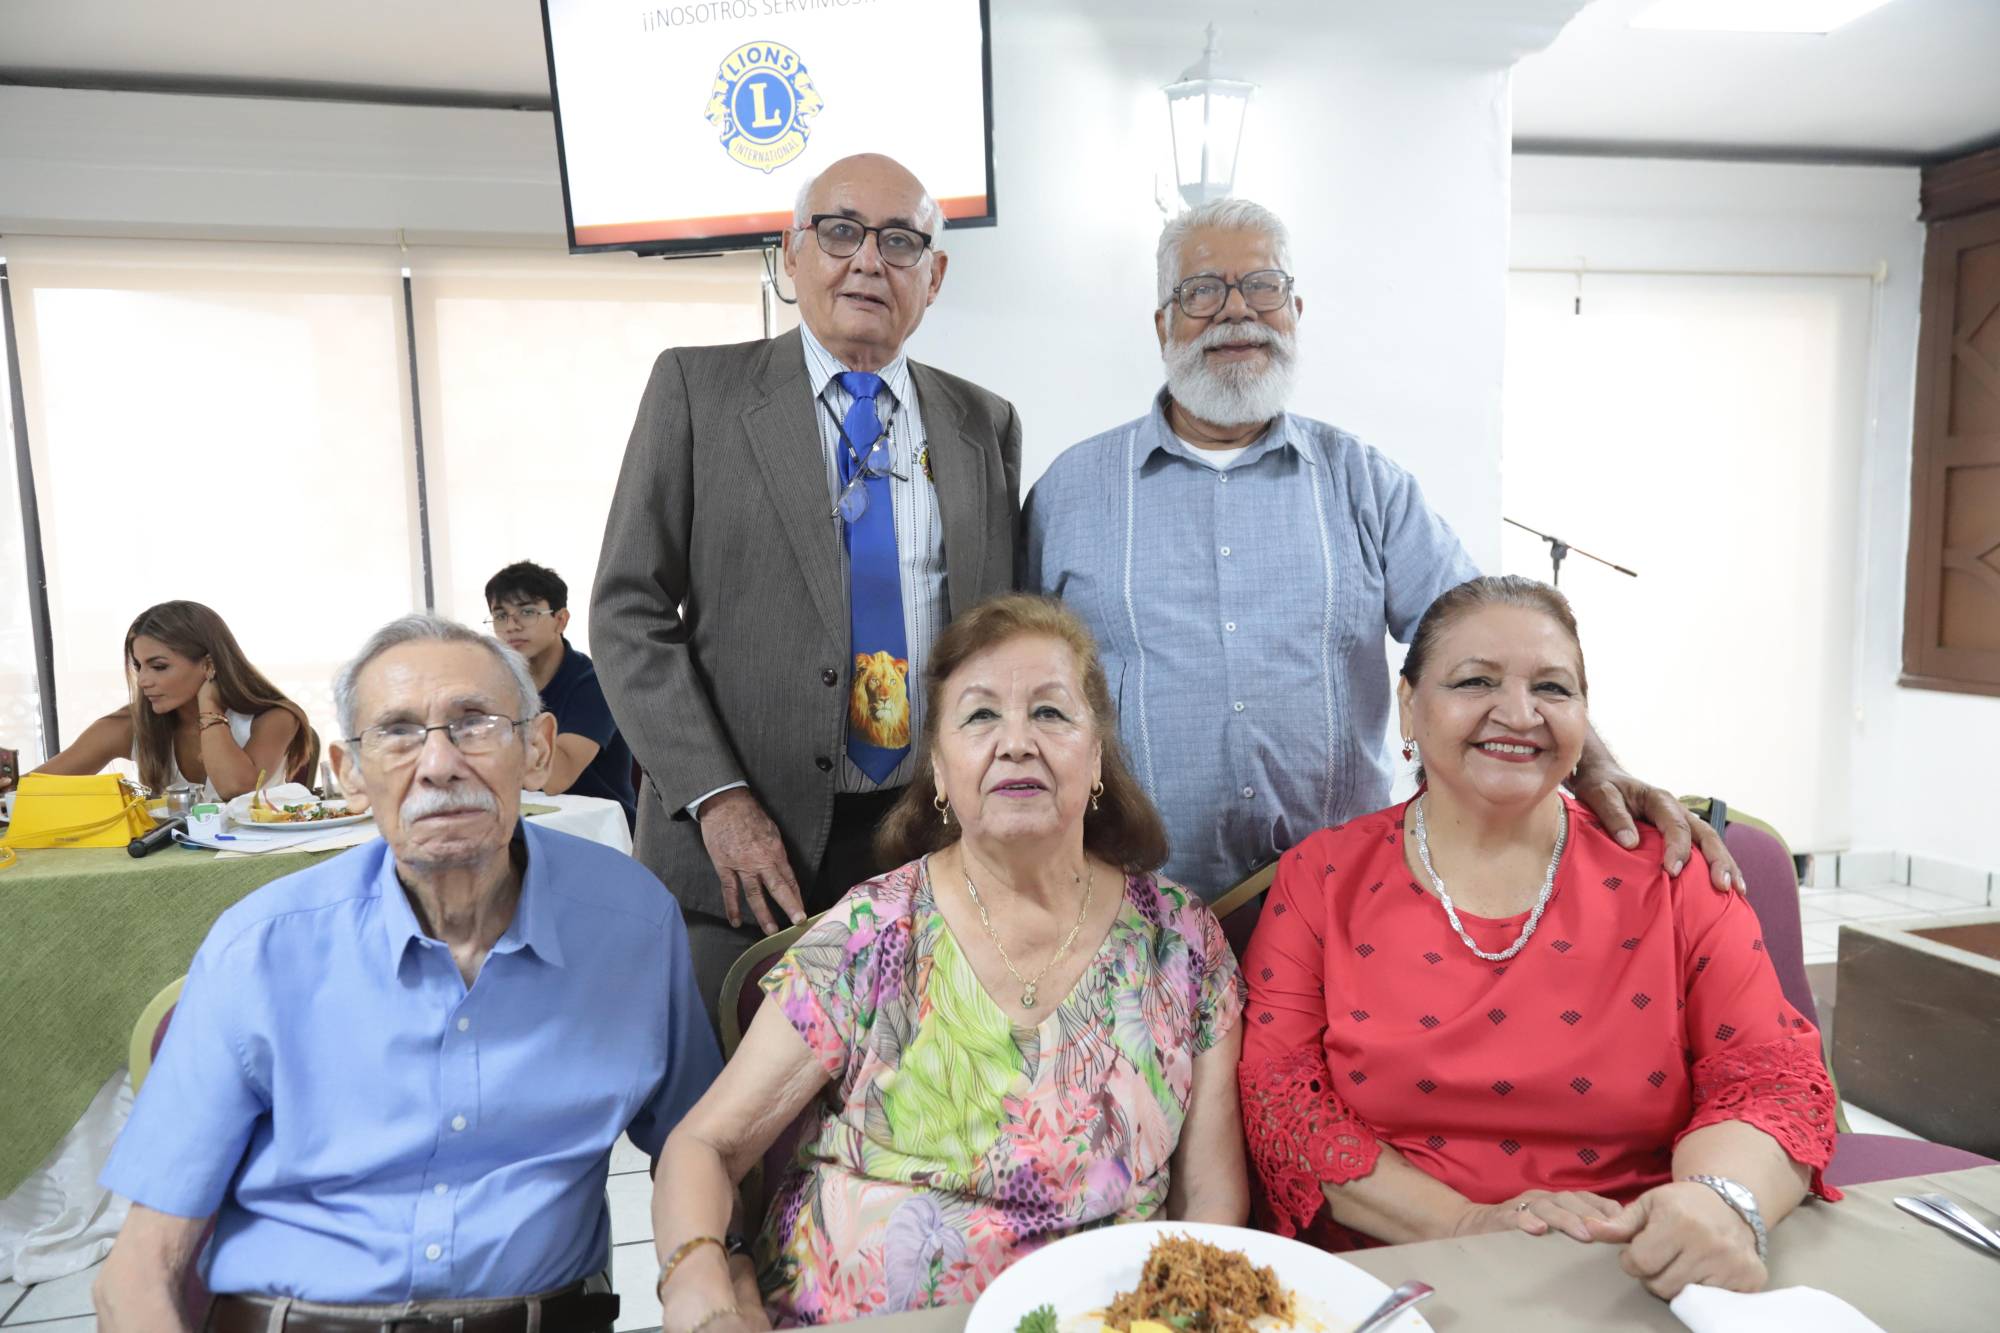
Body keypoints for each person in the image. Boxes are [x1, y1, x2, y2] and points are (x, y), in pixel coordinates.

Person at [1024, 199, 1739, 900]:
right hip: (1125, 907)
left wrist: (1597, 766)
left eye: (1263, 286)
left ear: (1295, 313)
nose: (1236, 309)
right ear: (1163, 324)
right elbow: (1012, 688)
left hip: (1343, 903)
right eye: (1204, 289)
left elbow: (1487, 643)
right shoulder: (1069, 494)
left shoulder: (1365, 483)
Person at [91, 614, 720, 1333]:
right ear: (350, 773)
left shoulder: (632, 924)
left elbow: (697, 1142)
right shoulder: (260, 948)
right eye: (396, 731)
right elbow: (136, 1276)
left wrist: (703, 1280)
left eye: (475, 722)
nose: (439, 763)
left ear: (537, 749)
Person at [649, 595, 1247, 1329]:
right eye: (981, 715)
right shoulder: (872, 932)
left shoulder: (1184, 944)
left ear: (1096, 757)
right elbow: (704, 1144)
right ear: (939, 768)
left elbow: (1212, 1201)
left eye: (1051, 713)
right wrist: (701, 1286)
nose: (1018, 742)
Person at [1237, 576, 1837, 1301]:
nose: (1518, 714)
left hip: (1636, 1268)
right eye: (1474, 681)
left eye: (1553, 688)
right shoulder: (1322, 877)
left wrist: (1718, 1200)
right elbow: (1282, 1102)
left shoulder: (1673, 872)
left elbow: (1768, 1077)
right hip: (1397, 1277)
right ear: (1408, 705)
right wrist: (1466, 1221)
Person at [593, 152, 1022, 1019]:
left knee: (912, 1119)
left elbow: (1000, 635)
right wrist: (718, 799)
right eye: (839, 232)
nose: (868, 260)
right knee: (733, 1124)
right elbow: (628, 611)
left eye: (900, 241)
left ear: (932, 277)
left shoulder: (986, 423)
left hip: (925, 840)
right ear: (793, 255)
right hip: (740, 848)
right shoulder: (698, 391)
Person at [32, 600, 317, 801]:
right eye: (138, 666)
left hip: (260, 868)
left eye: (158, 667)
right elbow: (33, 791)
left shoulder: (275, 717)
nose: (143, 680)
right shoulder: (129, 725)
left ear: (208, 665)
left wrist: (210, 706)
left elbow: (236, 788)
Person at [485, 560, 638, 828]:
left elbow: (556, 779)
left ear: (561, 620)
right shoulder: (499, 682)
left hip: (597, 829)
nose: (511, 626)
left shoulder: (594, 683)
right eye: (500, 616)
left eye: (527, 612)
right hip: (530, 823)